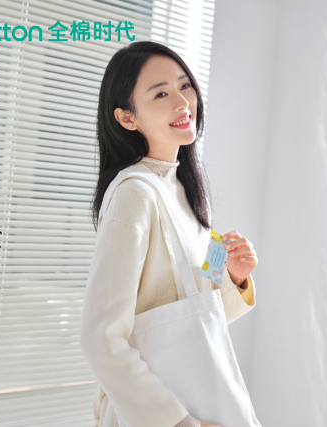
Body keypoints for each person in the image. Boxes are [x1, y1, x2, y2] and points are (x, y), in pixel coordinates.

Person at [79, 40, 259, 427]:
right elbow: (100, 336)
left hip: (200, 401)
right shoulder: (134, 194)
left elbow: (201, 310)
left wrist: (234, 277)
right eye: (161, 93)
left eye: (184, 85)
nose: (182, 102)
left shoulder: (188, 192)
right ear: (127, 118)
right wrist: (177, 423)